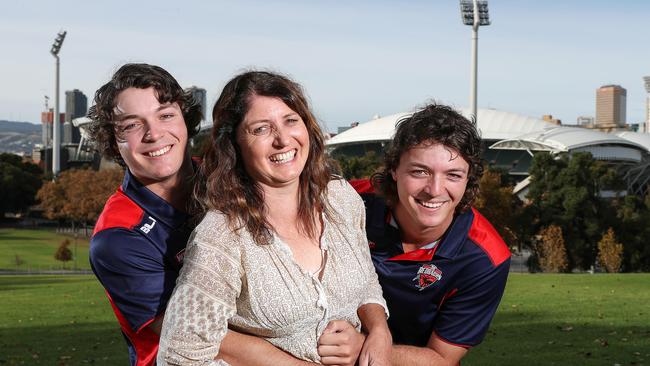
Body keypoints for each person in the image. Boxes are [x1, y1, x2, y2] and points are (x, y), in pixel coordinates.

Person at [157, 71, 392, 365]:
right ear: (235, 143)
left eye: (291, 121)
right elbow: (180, 356)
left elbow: (366, 280)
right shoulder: (221, 236)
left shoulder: (340, 198)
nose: (282, 139)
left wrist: (379, 331)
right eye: (261, 129)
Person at [351, 103, 511, 365]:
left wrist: (362, 346)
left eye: (453, 175)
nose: (435, 189)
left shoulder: (485, 258)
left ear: (468, 179)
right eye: (420, 171)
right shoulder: (351, 200)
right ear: (394, 169)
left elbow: (442, 359)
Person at [87, 63, 201, 366]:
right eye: (131, 125)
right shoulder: (117, 237)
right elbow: (193, 335)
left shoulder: (229, 180)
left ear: (186, 120)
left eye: (165, 115)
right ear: (114, 142)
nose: (154, 133)